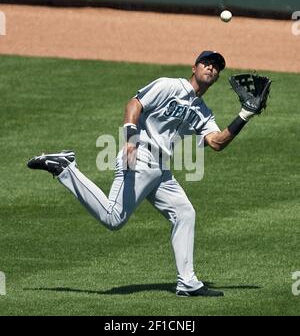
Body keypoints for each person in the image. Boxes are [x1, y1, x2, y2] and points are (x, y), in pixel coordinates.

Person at [28, 51, 256, 297]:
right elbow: (134, 103)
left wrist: (245, 114)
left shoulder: (202, 110)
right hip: (140, 156)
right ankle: (65, 168)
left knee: (184, 213)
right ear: (194, 67)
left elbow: (217, 142)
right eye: (207, 63)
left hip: (161, 170)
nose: (211, 68)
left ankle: (187, 283)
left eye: (216, 67)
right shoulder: (168, 86)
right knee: (113, 218)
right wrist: (130, 138)